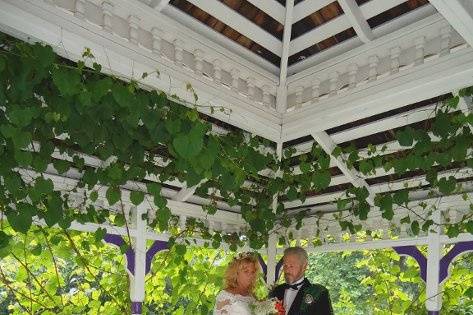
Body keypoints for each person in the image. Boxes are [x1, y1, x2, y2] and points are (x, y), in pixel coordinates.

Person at [270, 247, 333, 315]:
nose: (287, 270)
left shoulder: (318, 293)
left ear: (304, 266)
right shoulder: (277, 290)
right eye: (285, 265)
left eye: (291, 266)